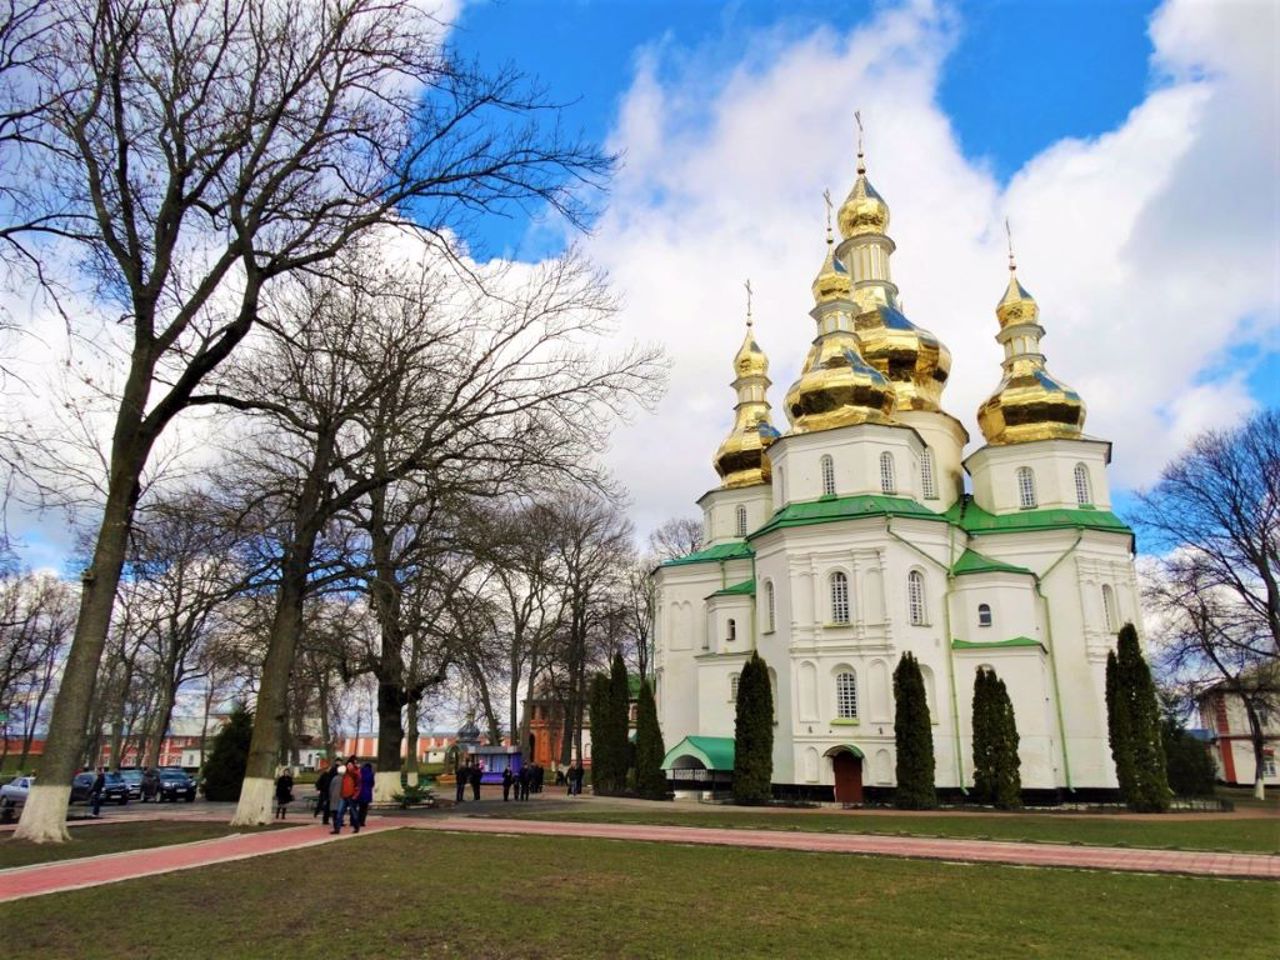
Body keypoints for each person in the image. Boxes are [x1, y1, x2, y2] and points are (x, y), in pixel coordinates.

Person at [328, 762, 347, 833]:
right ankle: (337, 828)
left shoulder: (334, 778)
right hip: (342, 798)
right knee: (339, 814)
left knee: (334, 814)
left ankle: (336, 828)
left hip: (334, 798)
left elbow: (330, 788)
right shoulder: (345, 779)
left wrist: (330, 796)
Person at [358, 761, 374, 827]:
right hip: (367, 793)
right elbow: (372, 783)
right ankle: (362, 822)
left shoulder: (360, 772)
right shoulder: (371, 774)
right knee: (364, 809)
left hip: (360, 792)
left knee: (360, 808)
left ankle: (358, 820)